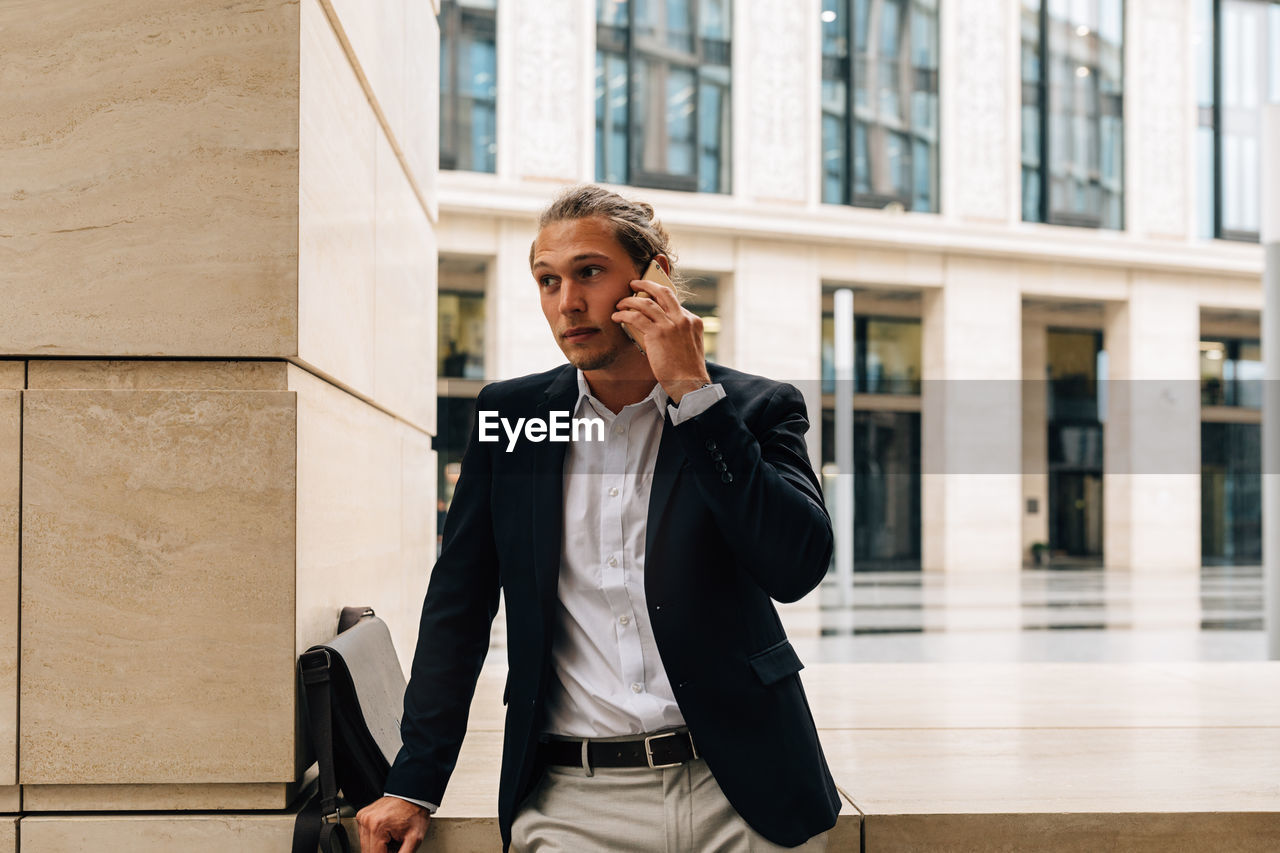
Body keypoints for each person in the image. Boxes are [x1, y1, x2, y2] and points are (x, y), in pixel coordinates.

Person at [356, 185, 840, 852]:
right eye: (547, 280)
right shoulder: (516, 417)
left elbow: (796, 565)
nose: (567, 302)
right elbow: (458, 607)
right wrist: (414, 781)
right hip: (573, 802)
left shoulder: (752, 408)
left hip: (746, 795)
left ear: (654, 276)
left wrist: (695, 399)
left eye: (589, 272)